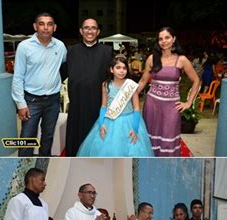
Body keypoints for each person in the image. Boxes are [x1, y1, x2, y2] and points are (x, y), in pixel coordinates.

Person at [136, 27, 200, 156]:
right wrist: (127, 97)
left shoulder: (181, 59)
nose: (163, 41)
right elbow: (143, 82)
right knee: (150, 138)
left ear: (174, 39)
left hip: (171, 107)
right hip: (152, 105)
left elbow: (196, 81)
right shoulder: (151, 59)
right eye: (160, 38)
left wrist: (188, 103)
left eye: (167, 37)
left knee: (168, 139)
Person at [12, 12, 67, 157]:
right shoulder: (24, 47)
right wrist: (21, 104)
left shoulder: (60, 46)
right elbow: (17, 77)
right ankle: (22, 164)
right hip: (31, 101)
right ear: (35, 26)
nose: (45, 28)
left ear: (54, 28)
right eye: (41, 24)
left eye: (49, 24)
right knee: (27, 138)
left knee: (48, 136)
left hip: (53, 100)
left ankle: (43, 161)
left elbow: (65, 66)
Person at [77, 55, 153, 156]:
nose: (121, 71)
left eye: (124, 68)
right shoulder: (106, 85)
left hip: (129, 121)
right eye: (118, 68)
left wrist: (134, 128)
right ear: (111, 70)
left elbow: (136, 108)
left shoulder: (131, 85)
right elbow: (103, 106)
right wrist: (101, 123)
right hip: (110, 121)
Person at [65, 18, 112, 156]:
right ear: (81, 31)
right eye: (86, 28)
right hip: (77, 102)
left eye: (93, 28)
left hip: (97, 102)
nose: (89, 31)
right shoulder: (72, 50)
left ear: (98, 32)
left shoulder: (107, 51)